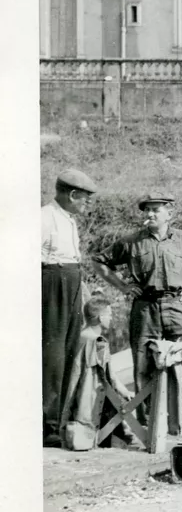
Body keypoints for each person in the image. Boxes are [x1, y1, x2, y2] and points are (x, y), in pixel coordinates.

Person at [91, 192, 182, 433]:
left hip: (178, 304)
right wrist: (122, 286)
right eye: (147, 210)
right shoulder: (131, 242)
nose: (150, 214)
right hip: (145, 307)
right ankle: (150, 420)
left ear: (169, 214)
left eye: (156, 210)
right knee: (143, 364)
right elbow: (99, 261)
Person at [42, 168, 98, 447]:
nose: (86, 205)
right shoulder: (44, 217)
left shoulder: (69, 220)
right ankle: (46, 424)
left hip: (72, 282)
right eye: (84, 199)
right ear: (72, 194)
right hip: (52, 284)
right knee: (52, 355)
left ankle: (60, 419)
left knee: (70, 350)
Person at [60, 297, 141, 450]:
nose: (111, 318)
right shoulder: (99, 342)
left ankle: (121, 436)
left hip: (79, 400)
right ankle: (119, 438)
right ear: (100, 317)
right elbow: (110, 379)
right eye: (109, 314)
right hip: (94, 400)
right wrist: (125, 392)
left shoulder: (81, 336)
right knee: (121, 404)